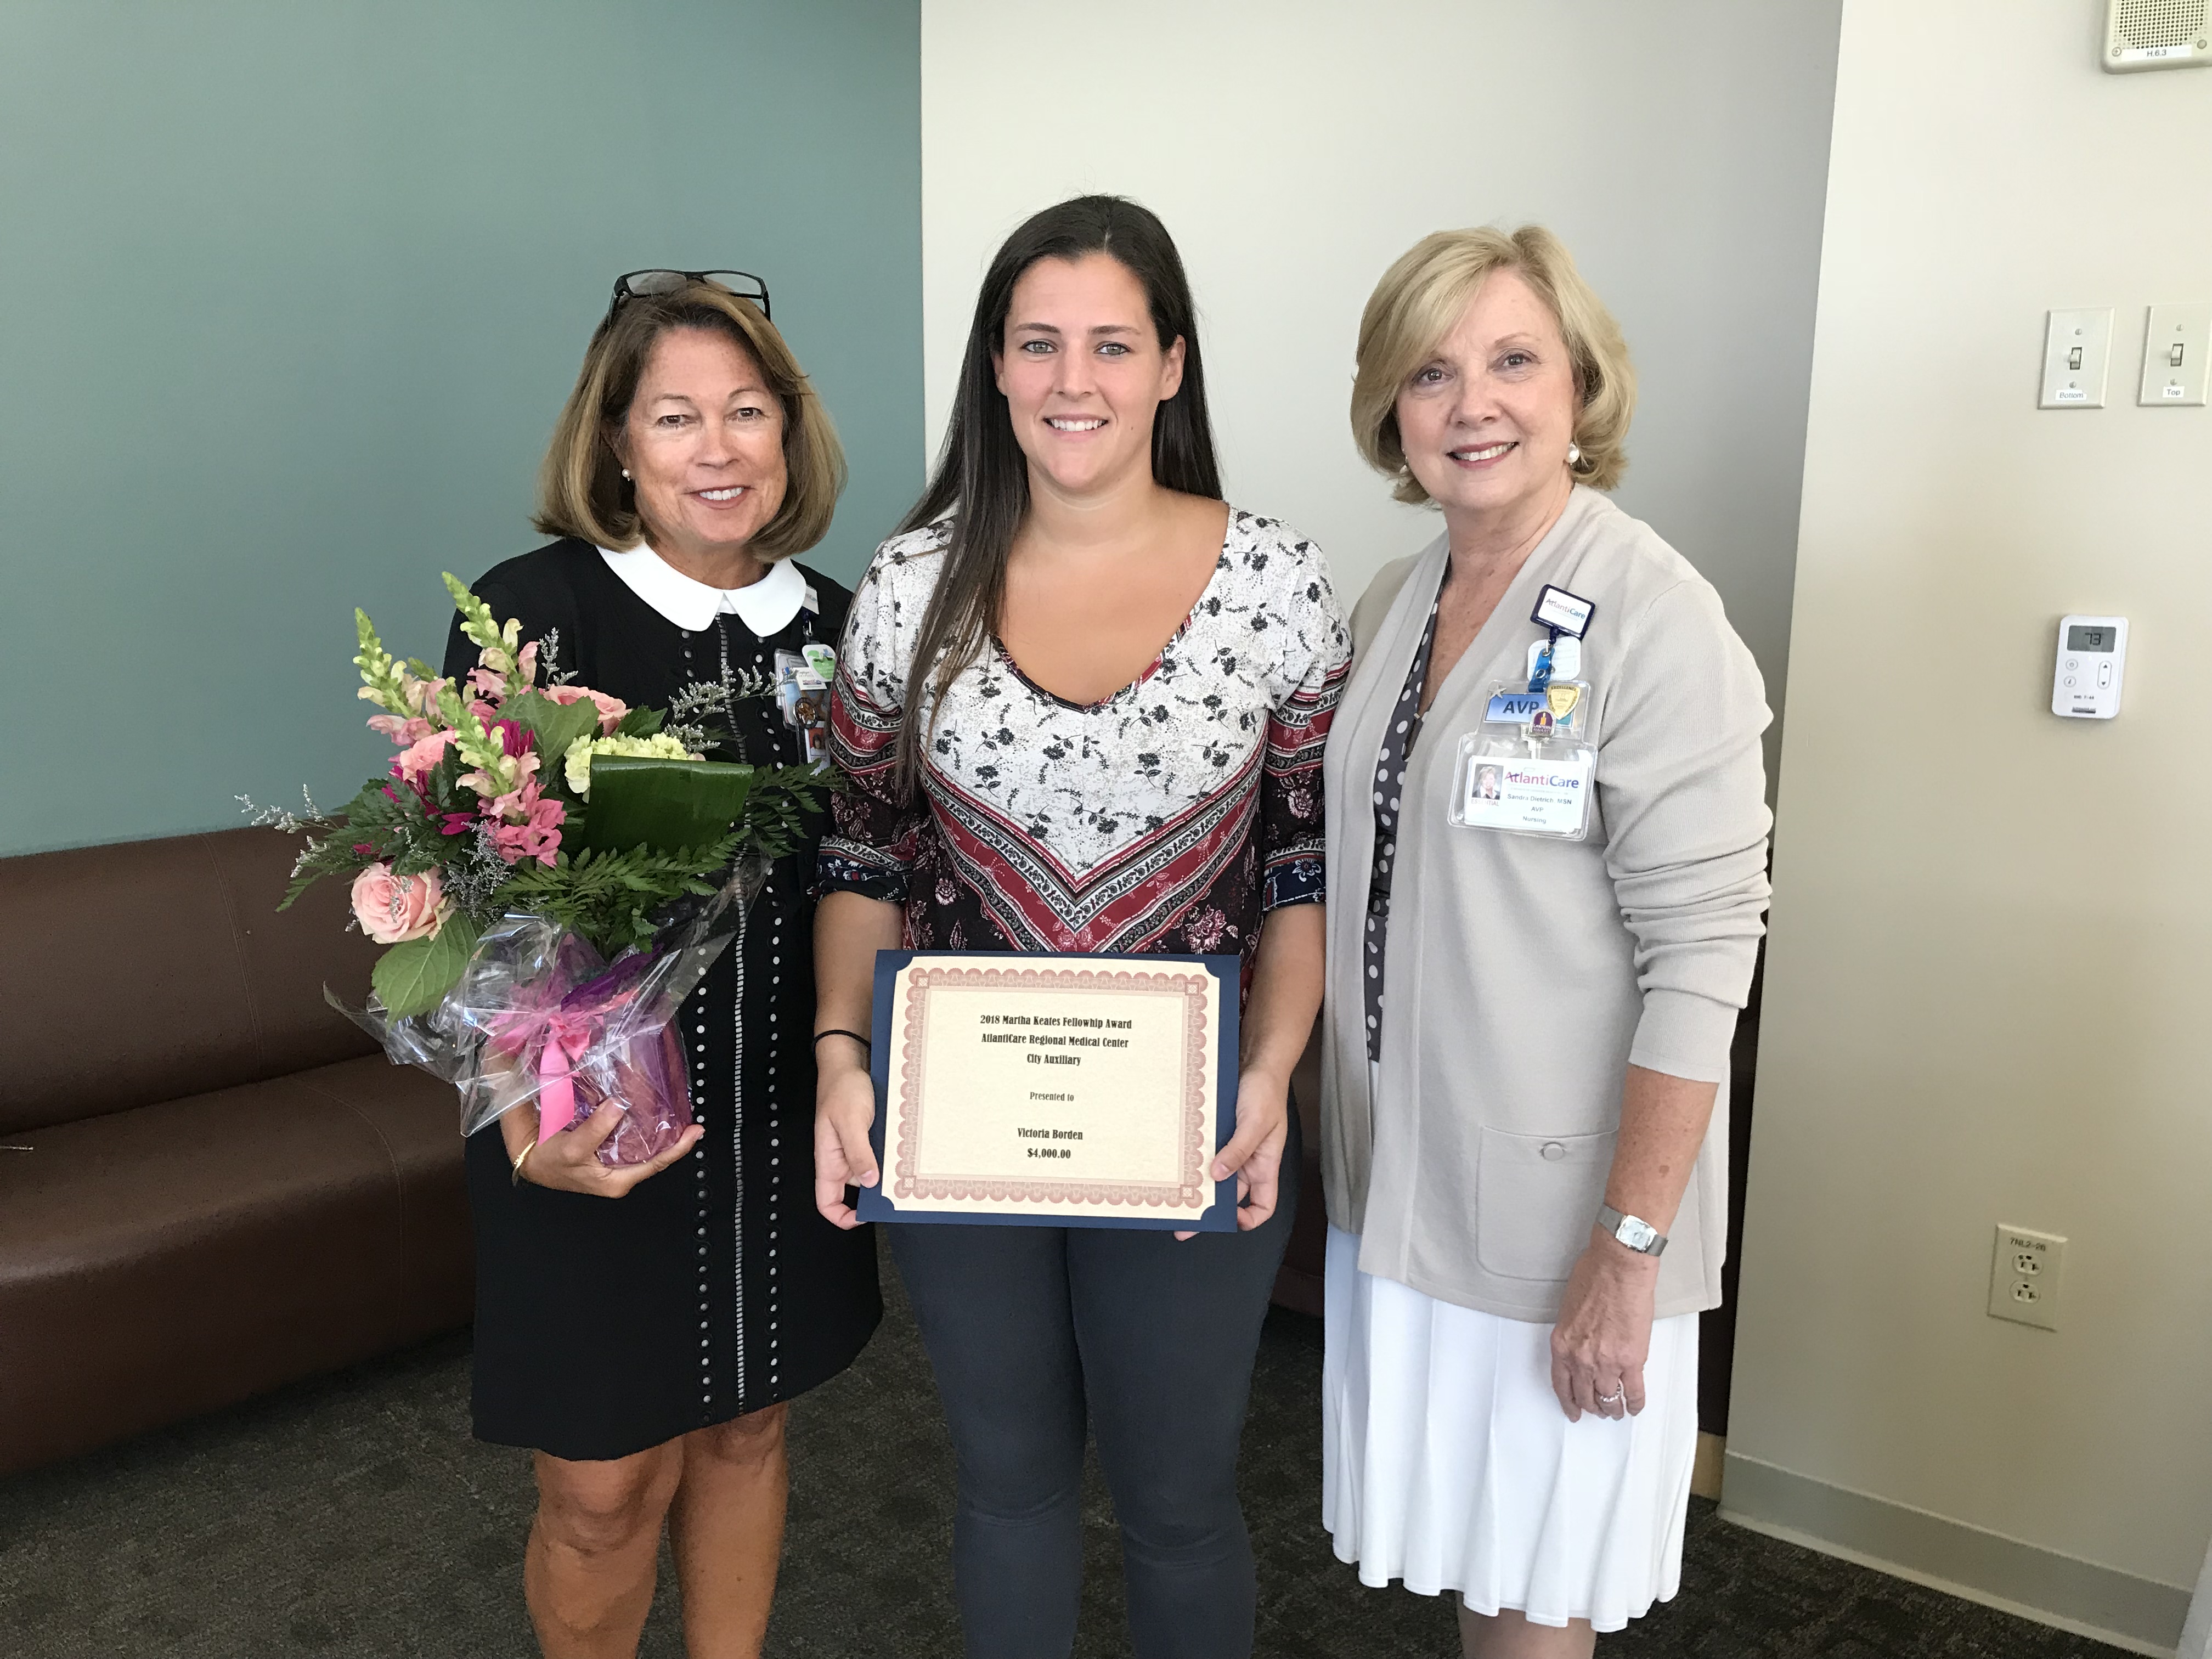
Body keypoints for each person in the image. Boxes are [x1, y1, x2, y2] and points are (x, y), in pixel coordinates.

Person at [811, 196, 1348, 1659]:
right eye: (1038, 343)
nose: (1073, 380)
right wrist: (841, 1059)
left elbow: (1303, 870)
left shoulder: (1278, 584)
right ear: (994, 365)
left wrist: (1272, 1076)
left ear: (1173, 364)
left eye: (1113, 344)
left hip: (1198, 1118)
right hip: (958, 1115)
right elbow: (861, 849)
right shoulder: (912, 589)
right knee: (1008, 1486)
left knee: (1180, 1501)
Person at [1317, 225, 1771, 1655]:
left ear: (1580, 383)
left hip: (1563, 1224)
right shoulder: (1400, 602)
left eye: (1514, 360)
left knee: (1538, 1598)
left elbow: (1706, 954)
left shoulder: (1653, 615)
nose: (1474, 404)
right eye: (1431, 372)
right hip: (1405, 1183)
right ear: (1392, 408)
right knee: (1480, 1561)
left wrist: (1627, 1253)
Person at [445, 272, 881, 1659]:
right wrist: (529, 1120)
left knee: (751, 1426)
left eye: (749, 412)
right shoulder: (531, 614)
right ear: (617, 442)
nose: (720, 448)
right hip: (587, 1123)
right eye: (678, 416)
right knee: (599, 1488)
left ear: (789, 436)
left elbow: (871, 870)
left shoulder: (844, 624)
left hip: (781, 1108)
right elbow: (472, 893)